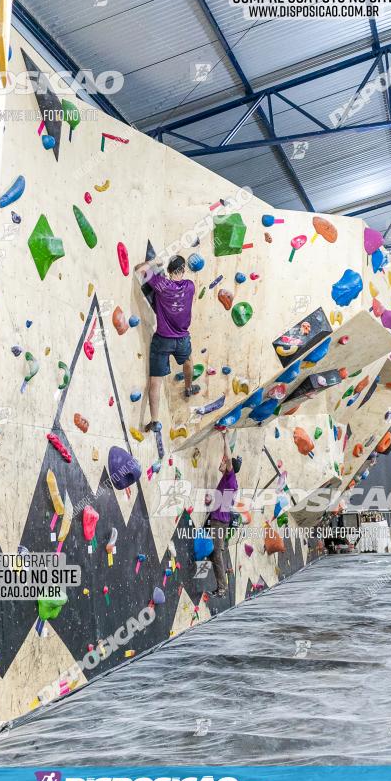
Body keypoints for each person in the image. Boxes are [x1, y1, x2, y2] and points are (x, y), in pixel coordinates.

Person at [134, 254, 199, 432]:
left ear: (168, 271)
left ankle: (154, 421)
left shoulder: (162, 285)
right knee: (188, 361)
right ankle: (188, 387)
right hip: (182, 338)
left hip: (163, 339)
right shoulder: (190, 287)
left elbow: (139, 269)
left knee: (155, 381)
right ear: (183, 271)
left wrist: (153, 263)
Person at [206, 429, 242, 598]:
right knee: (215, 553)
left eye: (225, 463)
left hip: (219, 522)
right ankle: (221, 584)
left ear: (229, 468)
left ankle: (222, 588)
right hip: (219, 519)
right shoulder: (229, 481)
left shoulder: (230, 477)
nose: (221, 462)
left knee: (217, 555)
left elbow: (227, 455)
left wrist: (225, 437)